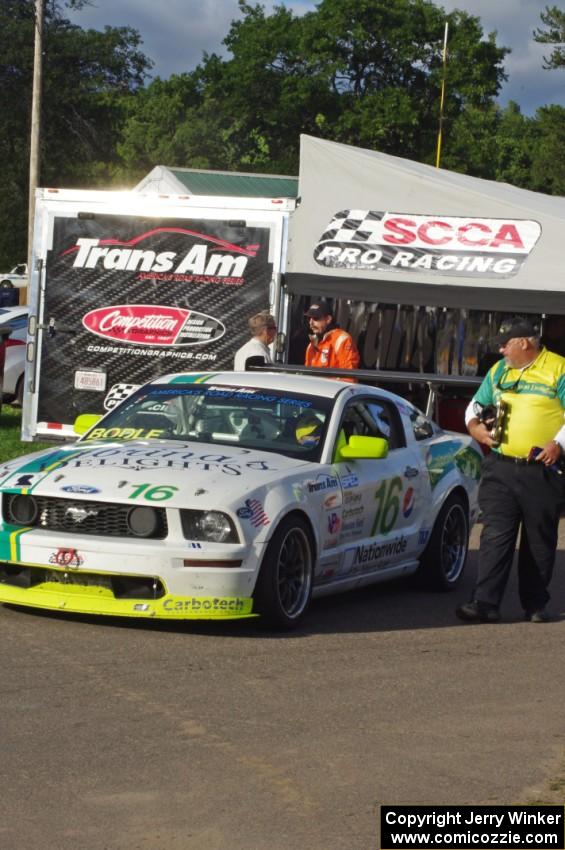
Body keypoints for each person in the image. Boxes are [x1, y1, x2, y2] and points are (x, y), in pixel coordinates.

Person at [456, 316, 565, 624]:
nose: (501, 351)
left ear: (524, 343)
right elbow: (475, 406)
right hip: (501, 467)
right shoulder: (499, 370)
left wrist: (558, 443)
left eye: (505, 345)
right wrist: (475, 428)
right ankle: (484, 603)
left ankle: (535, 604)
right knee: (494, 536)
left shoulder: (558, 368)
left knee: (538, 540)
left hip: (542, 470)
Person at [304, 300, 360, 381]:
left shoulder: (342, 339)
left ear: (328, 319)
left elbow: (349, 379)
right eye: (309, 318)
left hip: (332, 392)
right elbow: (307, 377)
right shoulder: (311, 345)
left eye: (316, 318)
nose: (311, 322)